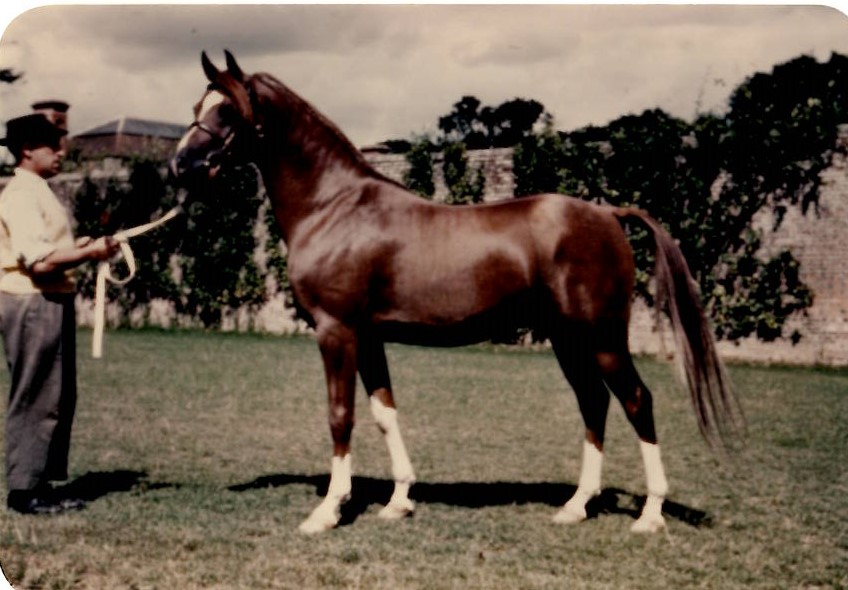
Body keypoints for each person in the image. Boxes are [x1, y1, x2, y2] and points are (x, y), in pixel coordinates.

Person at [0, 112, 119, 514]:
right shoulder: (20, 194)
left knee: (56, 394)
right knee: (35, 394)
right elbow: (39, 262)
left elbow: (52, 249)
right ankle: (24, 491)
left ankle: (42, 483)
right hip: (32, 302)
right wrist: (90, 252)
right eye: (53, 145)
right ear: (27, 150)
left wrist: (85, 244)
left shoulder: (37, 190)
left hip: (50, 301)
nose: (61, 152)